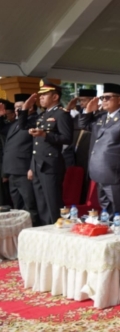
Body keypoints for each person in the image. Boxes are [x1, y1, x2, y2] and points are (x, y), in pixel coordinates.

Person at [80, 83, 120, 216]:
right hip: (100, 173)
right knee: (106, 211)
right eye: (102, 98)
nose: (104, 101)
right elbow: (84, 125)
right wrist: (88, 111)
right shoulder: (102, 116)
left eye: (107, 98)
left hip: (116, 174)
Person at [23, 81, 74, 225]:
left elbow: (67, 138)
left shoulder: (61, 114)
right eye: (41, 95)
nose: (41, 97)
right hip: (38, 164)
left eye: (44, 95)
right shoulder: (43, 115)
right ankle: (46, 229)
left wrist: (45, 135)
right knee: (42, 203)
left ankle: (57, 230)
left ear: (55, 97)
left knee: (52, 202)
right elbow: (24, 127)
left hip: (51, 164)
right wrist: (24, 109)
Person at [1, 94, 39, 224]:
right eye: (15, 107)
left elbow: (36, 147)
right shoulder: (15, 124)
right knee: (17, 206)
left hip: (25, 170)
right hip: (12, 170)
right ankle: (21, 230)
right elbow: (2, 131)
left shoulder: (35, 121)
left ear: (30, 107)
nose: (17, 110)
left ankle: (34, 229)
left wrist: (32, 167)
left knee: (30, 204)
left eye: (20, 107)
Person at [63, 88, 96, 201]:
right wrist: (68, 109)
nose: (81, 103)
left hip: (89, 156)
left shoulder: (98, 116)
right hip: (75, 155)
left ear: (92, 100)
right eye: (80, 100)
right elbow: (63, 122)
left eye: (84, 100)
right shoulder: (78, 117)